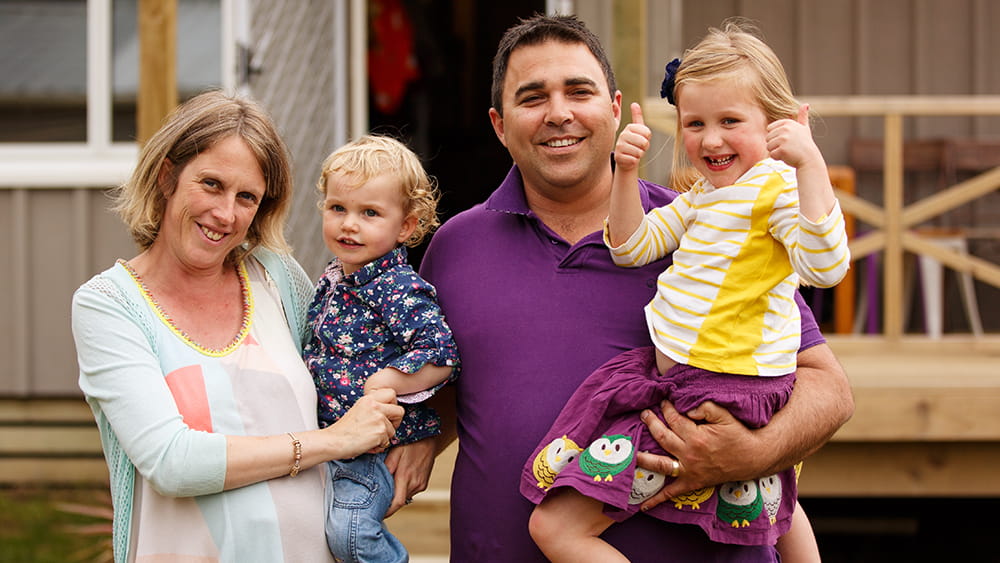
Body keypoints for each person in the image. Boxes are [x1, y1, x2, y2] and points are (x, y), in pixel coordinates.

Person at [403, 13, 852, 562]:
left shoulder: (704, 230)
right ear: (499, 124)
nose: (559, 112)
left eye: (578, 91)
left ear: (615, 109)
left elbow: (828, 389)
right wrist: (421, 434)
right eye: (533, 96)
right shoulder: (455, 247)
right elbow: (445, 383)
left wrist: (751, 451)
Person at [71, 91, 404, 563]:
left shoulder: (277, 277)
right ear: (167, 176)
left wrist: (418, 440)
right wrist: (332, 442)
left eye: (246, 197)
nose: (226, 215)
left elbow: (349, 381)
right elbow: (172, 462)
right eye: (211, 184)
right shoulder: (108, 305)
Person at [303, 134, 460, 562]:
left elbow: (441, 355)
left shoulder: (397, 287)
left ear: (406, 226)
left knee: (350, 532)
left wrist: (386, 381)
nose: (348, 224)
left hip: (371, 449)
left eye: (369, 213)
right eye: (338, 208)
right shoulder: (336, 277)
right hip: (330, 441)